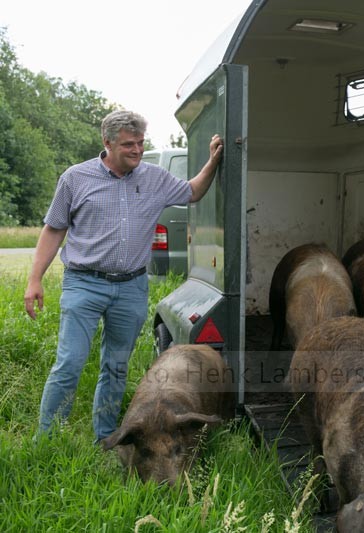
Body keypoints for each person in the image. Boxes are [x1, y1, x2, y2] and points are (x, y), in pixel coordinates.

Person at [24, 110, 224, 442]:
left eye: (141, 143)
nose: (137, 150)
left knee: (116, 367)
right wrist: (35, 280)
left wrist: (213, 161)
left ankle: (105, 436)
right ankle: (46, 439)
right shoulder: (75, 178)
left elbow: (192, 192)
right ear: (107, 143)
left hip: (131, 286)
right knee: (69, 363)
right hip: (84, 283)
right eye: (128, 144)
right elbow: (53, 229)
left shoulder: (154, 178)